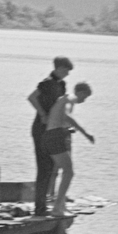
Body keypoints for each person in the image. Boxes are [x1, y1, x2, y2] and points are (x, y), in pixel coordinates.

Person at [28, 57, 72, 217]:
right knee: (44, 168)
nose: (67, 73)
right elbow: (32, 98)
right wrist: (42, 114)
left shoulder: (61, 84)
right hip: (40, 129)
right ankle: (40, 208)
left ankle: (51, 202)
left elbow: (61, 107)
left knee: (53, 167)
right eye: (66, 70)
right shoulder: (46, 83)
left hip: (53, 130)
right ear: (59, 68)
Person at [44, 82, 94, 217]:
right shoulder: (70, 98)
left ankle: (61, 206)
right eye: (85, 97)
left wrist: (66, 128)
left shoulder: (63, 98)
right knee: (69, 172)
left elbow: (57, 117)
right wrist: (85, 133)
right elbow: (66, 115)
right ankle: (56, 208)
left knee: (64, 171)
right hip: (55, 136)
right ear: (81, 93)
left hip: (51, 135)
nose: (84, 100)